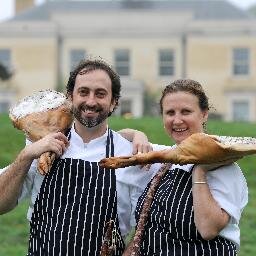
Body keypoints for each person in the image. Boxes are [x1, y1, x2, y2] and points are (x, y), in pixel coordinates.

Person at [0, 58, 165, 255]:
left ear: (114, 103)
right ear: (70, 97)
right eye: (83, 92)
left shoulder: (131, 153)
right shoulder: (41, 147)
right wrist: (26, 155)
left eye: (101, 94)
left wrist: (137, 134)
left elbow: (189, 154)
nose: (91, 101)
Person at [124, 79, 248, 255]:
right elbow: (117, 137)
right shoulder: (167, 157)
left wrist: (200, 171)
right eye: (170, 113)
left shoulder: (225, 169)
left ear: (204, 114)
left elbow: (207, 229)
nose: (177, 120)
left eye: (186, 112)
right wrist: (138, 135)